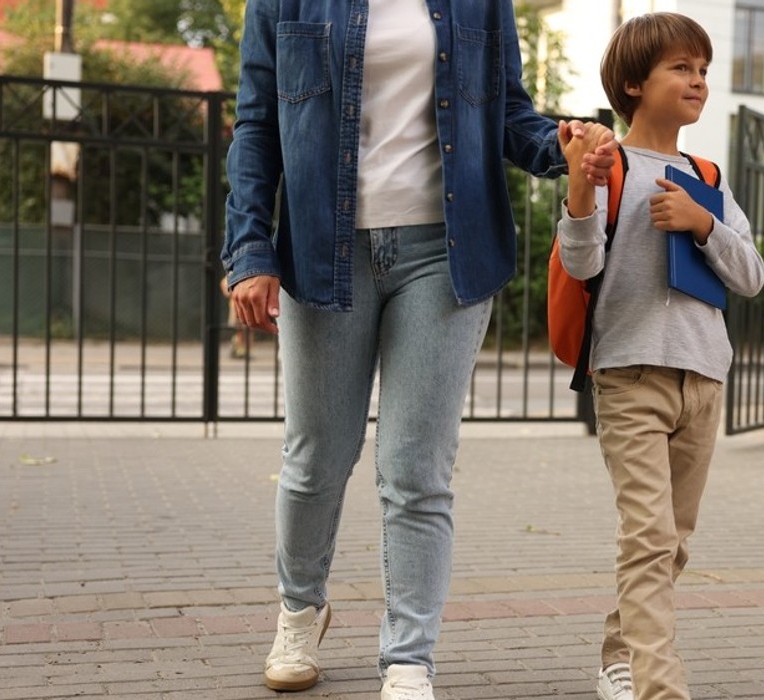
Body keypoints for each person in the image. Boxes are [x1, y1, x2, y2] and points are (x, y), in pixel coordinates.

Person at [221, 1, 614, 698]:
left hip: (446, 252)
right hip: (322, 249)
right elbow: (256, 128)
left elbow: (506, 114)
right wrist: (249, 249)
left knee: (415, 468)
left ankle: (408, 658)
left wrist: (563, 146)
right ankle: (299, 608)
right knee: (316, 458)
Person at [556, 12, 764, 700]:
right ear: (632, 83)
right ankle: (657, 687)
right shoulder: (609, 162)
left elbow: (751, 275)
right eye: (680, 67)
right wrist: (580, 188)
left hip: (703, 378)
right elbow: (582, 262)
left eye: (702, 69)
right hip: (630, 375)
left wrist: (702, 223)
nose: (697, 80)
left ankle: (618, 654)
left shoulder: (705, 175)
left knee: (670, 543)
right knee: (646, 539)